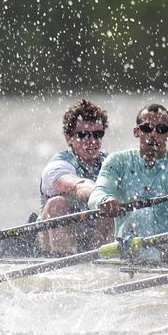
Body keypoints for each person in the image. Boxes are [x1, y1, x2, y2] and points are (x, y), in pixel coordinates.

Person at [89, 103, 168, 255]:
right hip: (130, 243)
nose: (153, 134)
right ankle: (151, 260)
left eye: (161, 129)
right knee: (143, 214)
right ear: (136, 132)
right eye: (147, 128)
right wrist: (105, 200)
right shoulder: (118, 161)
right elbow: (97, 194)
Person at [37, 99, 114, 255]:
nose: (92, 141)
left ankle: (102, 258)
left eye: (98, 134)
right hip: (53, 243)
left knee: (111, 207)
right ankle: (65, 262)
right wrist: (100, 197)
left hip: (96, 238)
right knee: (57, 203)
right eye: (83, 135)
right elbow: (79, 185)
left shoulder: (111, 162)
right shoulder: (58, 166)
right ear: (68, 137)